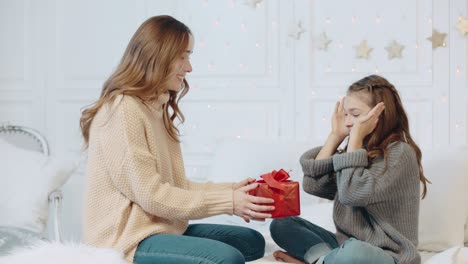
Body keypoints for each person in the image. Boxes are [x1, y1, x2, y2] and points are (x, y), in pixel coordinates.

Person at [79, 15, 274, 264]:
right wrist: (229, 202)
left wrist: (232, 191)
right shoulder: (124, 110)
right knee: (228, 258)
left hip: (157, 228)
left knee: (250, 241)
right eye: (183, 56)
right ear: (158, 56)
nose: (189, 67)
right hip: (126, 241)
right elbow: (152, 195)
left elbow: (175, 185)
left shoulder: (154, 107)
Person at [269, 75, 430, 264]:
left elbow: (352, 194)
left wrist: (354, 140)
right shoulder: (357, 150)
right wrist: (335, 136)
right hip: (345, 245)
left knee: (353, 252)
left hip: (388, 254)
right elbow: (313, 185)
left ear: (379, 115)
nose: (347, 122)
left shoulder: (400, 153)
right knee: (282, 225)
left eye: (355, 114)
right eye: (346, 114)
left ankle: (320, 260)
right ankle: (325, 260)